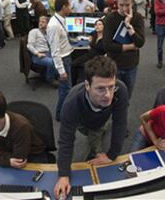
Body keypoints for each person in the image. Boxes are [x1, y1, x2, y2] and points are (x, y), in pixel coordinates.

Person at [54, 56, 128, 199]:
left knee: (99, 129)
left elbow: (120, 123)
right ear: (87, 85)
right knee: (92, 131)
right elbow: (66, 141)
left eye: (111, 87)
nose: (108, 95)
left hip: (103, 117)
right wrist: (63, 175)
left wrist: (112, 155)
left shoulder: (120, 90)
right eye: (100, 89)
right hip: (83, 120)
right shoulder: (71, 103)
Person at [0, 88, 47, 167]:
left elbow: (19, 161)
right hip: (6, 150)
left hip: (32, 156)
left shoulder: (21, 127)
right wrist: (7, 161)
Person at [103, 0, 145, 100]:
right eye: (121, 5)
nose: (124, 8)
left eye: (127, 5)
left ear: (132, 3)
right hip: (114, 65)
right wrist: (130, 46)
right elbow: (107, 46)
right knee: (112, 98)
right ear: (116, 3)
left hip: (131, 65)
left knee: (126, 98)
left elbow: (140, 43)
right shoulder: (110, 18)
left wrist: (128, 24)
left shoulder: (137, 18)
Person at [47, 0, 74, 121]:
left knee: (66, 89)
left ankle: (63, 112)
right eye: (69, 6)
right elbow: (55, 51)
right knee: (65, 90)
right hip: (62, 60)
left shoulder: (61, 20)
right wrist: (61, 70)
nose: (71, 8)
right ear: (64, 7)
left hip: (66, 57)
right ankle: (61, 115)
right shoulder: (53, 25)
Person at [71, 19, 105, 85]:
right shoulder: (94, 34)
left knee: (86, 68)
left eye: (99, 24)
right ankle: (73, 85)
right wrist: (90, 39)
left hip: (98, 59)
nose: (97, 26)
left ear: (104, 26)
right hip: (89, 55)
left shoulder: (106, 37)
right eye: (95, 25)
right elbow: (89, 33)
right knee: (73, 64)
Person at [27, 16, 57, 86]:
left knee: (60, 58)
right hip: (38, 56)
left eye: (43, 22)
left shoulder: (47, 33)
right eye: (40, 21)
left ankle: (48, 74)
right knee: (52, 62)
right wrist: (37, 53)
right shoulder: (34, 31)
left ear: (47, 24)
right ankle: (50, 79)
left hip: (48, 53)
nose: (40, 23)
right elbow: (29, 45)